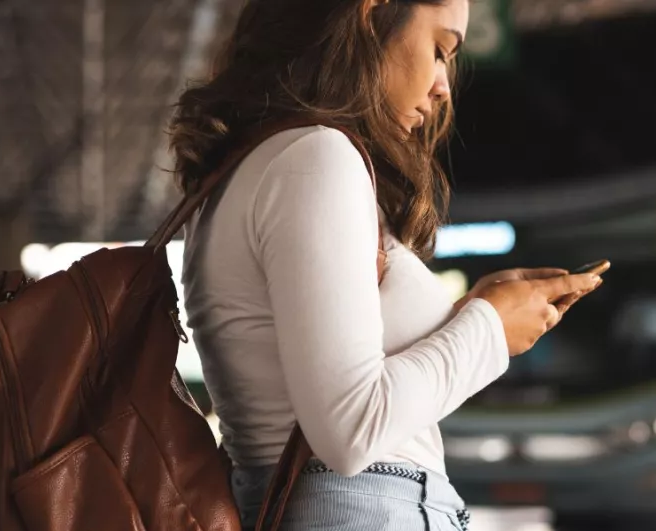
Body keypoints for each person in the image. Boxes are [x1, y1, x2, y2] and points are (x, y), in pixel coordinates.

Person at [169, 0, 603, 528]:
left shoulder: (256, 167)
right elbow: (351, 429)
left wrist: (473, 313)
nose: (444, 86)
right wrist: (488, 328)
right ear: (370, 17)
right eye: (440, 49)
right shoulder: (317, 159)